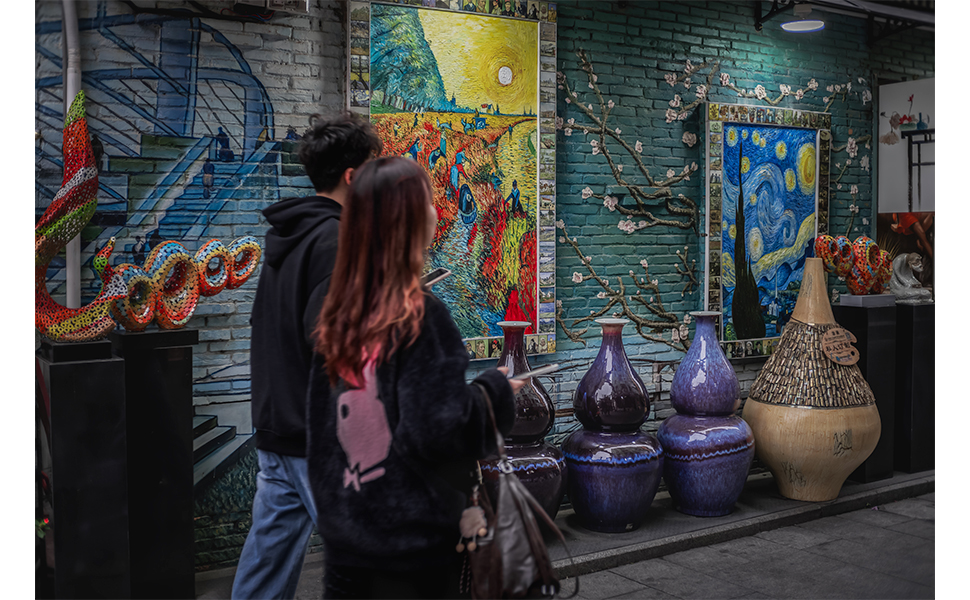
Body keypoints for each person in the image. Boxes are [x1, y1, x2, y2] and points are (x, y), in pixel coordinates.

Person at [306, 157, 524, 599]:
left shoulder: (340, 311)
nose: (436, 211)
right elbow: (439, 428)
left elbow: (320, 428)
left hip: (347, 540)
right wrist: (493, 391)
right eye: (426, 201)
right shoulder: (419, 316)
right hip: (410, 551)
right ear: (406, 220)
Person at [231, 113, 382, 600]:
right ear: (353, 177)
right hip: (318, 440)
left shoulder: (290, 235)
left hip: (278, 429)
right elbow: (332, 342)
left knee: (265, 569)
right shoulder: (337, 242)